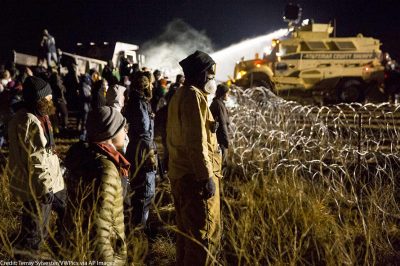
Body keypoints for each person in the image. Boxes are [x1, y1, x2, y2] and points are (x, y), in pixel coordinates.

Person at [167, 50, 222, 265]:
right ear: (201, 74)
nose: (212, 78)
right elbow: (195, 141)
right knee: (203, 238)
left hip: (180, 174)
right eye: (210, 73)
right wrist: (206, 176)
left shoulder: (180, 94)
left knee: (187, 236)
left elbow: (184, 133)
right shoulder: (193, 96)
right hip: (194, 178)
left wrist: (211, 128)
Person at [7, 76, 66, 256]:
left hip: (52, 180)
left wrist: (58, 164)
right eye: (47, 97)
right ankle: (25, 258)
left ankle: (61, 246)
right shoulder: (28, 121)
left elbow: (45, 150)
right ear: (38, 99)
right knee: (35, 233)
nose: (51, 100)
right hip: (39, 185)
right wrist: (45, 187)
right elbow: (35, 159)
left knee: (67, 209)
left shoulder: (39, 115)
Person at [64, 106, 128, 264]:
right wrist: (109, 261)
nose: (126, 133)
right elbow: (100, 228)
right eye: (123, 128)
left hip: (80, 247)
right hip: (104, 255)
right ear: (110, 133)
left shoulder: (86, 156)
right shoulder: (105, 169)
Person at [124, 71, 157, 229]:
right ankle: (138, 228)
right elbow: (144, 130)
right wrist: (150, 152)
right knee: (145, 190)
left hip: (139, 148)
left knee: (141, 188)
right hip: (142, 150)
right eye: (151, 83)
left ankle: (138, 224)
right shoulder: (139, 103)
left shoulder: (139, 101)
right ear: (145, 84)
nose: (153, 85)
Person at [209, 84, 231, 159]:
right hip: (220, 141)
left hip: (217, 139)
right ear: (223, 94)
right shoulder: (219, 105)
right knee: (220, 164)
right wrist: (226, 142)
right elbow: (223, 124)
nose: (228, 95)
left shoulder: (217, 103)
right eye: (227, 93)